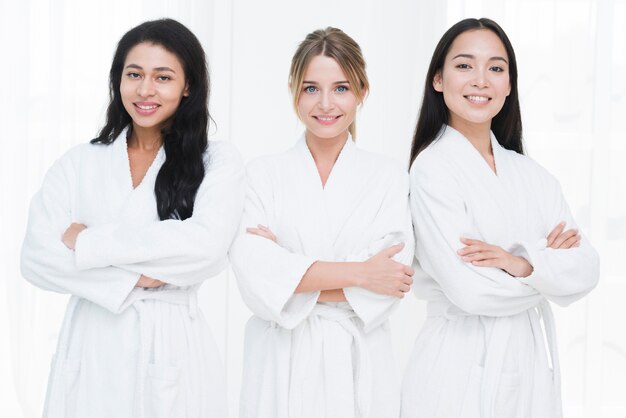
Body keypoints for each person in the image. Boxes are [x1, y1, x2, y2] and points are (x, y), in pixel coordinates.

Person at [21, 18, 244, 418]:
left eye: (163, 77)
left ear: (187, 85)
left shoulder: (216, 162)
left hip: (171, 347)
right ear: (117, 80)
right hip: (90, 344)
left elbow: (206, 249)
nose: (145, 90)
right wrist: (142, 276)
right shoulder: (79, 163)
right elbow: (37, 258)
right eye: (134, 74)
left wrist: (89, 243)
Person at [401, 17, 599, 418]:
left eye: (495, 68)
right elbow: (468, 290)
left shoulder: (533, 175)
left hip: (527, 364)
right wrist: (547, 271)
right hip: (456, 366)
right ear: (438, 79)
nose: (481, 80)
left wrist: (521, 263)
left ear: (509, 85)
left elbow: (587, 268)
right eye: (464, 65)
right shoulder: (432, 169)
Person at [229, 27, 415, 418]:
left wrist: (290, 273)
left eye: (341, 88)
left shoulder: (389, 177)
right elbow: (255, 276)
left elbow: (391, 282)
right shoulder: (261, 174)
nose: (326, 103)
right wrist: (362, 273)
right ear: (294, 91)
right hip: (280, 361)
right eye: (311, 88)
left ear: (362, 91)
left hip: (358, 363)